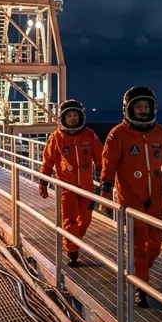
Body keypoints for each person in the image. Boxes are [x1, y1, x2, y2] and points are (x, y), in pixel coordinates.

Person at [99, 86, 162, 308]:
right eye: (138, 107)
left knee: (155, 243)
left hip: (154, 197)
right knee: (138, 245)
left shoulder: (160, 133)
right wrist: (105, 191)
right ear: (129, 109)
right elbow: (109, 164)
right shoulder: (118, 134)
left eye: (146, 106)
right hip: (130, 197)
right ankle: (139, 287)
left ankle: (139, 270)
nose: (143, 111)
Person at [39, 99, 104, 266]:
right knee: (70, 219)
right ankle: (72, 252)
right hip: (66, 187)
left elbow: (100, 157)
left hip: (87, 187)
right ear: (63, 118)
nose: (73, 119)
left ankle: (73, 239)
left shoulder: (89, 135)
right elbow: (48, 160)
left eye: (76, 115)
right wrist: (43, 182)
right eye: (69, 116)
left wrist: (103, 177)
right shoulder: (56, 138)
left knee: (86, 219)